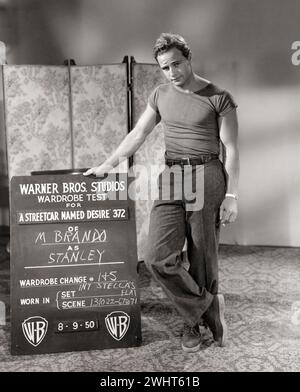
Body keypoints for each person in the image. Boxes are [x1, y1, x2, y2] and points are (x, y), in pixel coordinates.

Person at [84, 33, 239, 352]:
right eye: (165, 67)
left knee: (202, 257)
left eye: (177, 64)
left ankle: (192, 324)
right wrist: (107, 164)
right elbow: (139, 133)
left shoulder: (218, 96)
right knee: (156, 257)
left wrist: (232, 195)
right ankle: (208, 307)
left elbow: (233, 148)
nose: (172, 72)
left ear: (189, 58)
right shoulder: (160, 94)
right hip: (172, 174)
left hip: (207, 173)